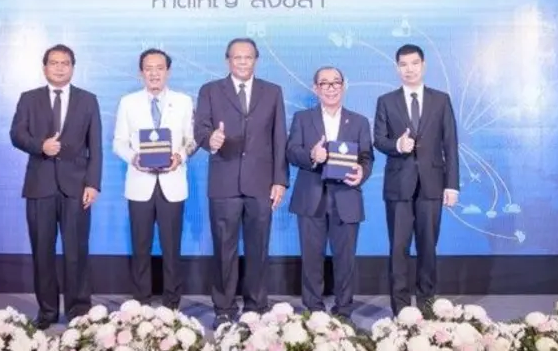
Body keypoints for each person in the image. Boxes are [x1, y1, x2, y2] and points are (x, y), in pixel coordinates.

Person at [194, 37, 289, 329]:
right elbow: (200, 130)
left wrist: (280, 180)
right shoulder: (210, 90)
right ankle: (223, 307)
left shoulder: (272, 92)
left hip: (261, 183)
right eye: (237, 57)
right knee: (224, 249)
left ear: (256, 60)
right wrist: (211, 139)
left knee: (259, 247)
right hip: (224, 182)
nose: (243, 62)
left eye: (248, 57)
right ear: (228, 61)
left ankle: (256, 305)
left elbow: (279, 138)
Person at [9, 44, 103, 329]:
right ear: (44, 67)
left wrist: (93, 183)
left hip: (77, 187)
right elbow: (16, 134)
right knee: (42, 252)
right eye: (54, 62)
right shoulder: (29, 98)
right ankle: (47, 311)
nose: (60, 67)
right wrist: (41, 145)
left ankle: (78, 310)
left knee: (77, 252)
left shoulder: (88, 100)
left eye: (65, 63)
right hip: (40, 186)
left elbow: (96, 146)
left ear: (73, 67)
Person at [373, 43, 459, 318]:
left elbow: (450, 144)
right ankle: (400, 309)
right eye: (403, 64)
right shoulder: (386, 101)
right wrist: (397, 145)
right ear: (397, 68)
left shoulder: (441, 100)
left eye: (414, 63)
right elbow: (379, 140)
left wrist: (452, 184)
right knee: (399, 248)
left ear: (423, 65)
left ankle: (426, 305)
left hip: (432, 184)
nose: (409, 69)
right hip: (398, 186)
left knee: (427, 247)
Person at [286, 66, 374, 319]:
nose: (331, 88)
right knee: (311, 258)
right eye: (324, 83)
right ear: (316, 89)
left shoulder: (359, 121)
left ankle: (344, 309)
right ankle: (313, 309)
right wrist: (312, 155)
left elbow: (367, 157)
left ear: (344, 86)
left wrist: (362, 171)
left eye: (336, 82)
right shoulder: (303, 118)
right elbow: (291, 151)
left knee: (345, 259)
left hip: (346, 196)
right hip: (310, 197)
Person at [112, 48, 195, 310]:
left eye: (159, 68)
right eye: (148, 68)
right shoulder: (128, 102)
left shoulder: (183, 101)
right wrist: (134, 158)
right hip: (140, 183)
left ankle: (172, 304)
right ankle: (141, 303)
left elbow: (192, 140)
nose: (154, 73)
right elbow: (118, 142)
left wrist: (180, 156)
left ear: (168, 71)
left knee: (172, 248)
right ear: (141, 73)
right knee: (140, 247)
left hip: (172, 182)